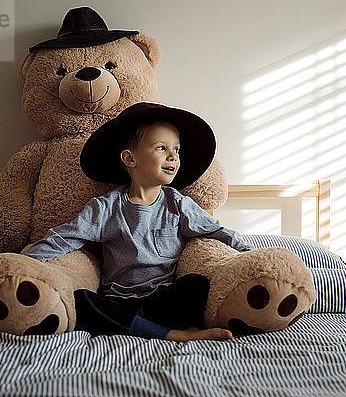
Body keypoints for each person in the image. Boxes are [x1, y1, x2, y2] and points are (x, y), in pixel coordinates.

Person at [24, 102, 255, 341]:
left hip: (164, 300)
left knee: (196, 283)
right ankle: (170, 334)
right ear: (130, 159)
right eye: (161, 148)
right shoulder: (106, 207)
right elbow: (66, 237)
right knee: (80, 300)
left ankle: (161, 328)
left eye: (177, 150)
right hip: (120, 301)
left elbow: (216, 231)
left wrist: (248, 252)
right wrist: (26, 261)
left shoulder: (177, 204)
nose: (173, 156)